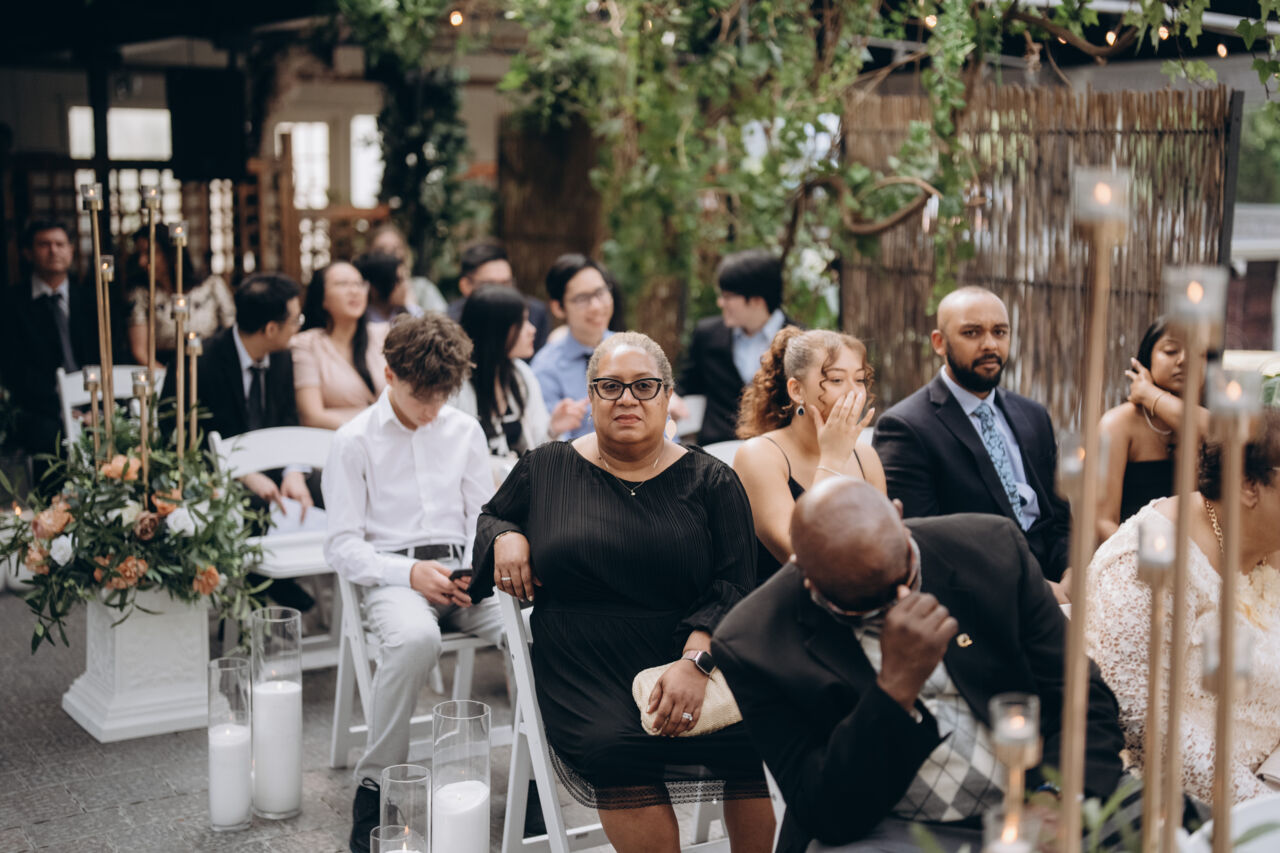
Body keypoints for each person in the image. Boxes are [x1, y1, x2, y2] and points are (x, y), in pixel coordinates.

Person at [472, 332, 775, 853]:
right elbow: (490, 515)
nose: (627, 398)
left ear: (667, 395)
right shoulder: (545, 467)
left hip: (685, 650)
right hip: (582, 660)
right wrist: (505, 535)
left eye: (644, 386)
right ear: (590, 396)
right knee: (614, 747)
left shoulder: (712, 481)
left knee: (761, 734)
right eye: (610, 386)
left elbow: (734, 583)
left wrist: (696, 663)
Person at [712, 478, 1131, 853]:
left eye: (907, 579)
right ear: (806, 575)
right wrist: (894, 689)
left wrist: (1054, 799)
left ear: (899, 516)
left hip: (1040, 794)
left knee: (1161, 822)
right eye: (864, 608)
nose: (898, 605)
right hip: (890, 830)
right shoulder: (753, 642)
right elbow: (825, 811)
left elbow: (1084, 700)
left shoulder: (991, 548)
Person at [322, 313, 505, 853]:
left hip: (463, 575)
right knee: (415, 640)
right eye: (421, 395)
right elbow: (341, 546)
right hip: (393, 578)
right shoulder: (352, 441)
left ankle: (537, 776)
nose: (432, 409)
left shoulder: (464, 430)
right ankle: (375, 787)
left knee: (537, 628)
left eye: (443, 396)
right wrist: (409, 574)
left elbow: (482, 517)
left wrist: (476, 569)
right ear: (389, 375)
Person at [1086, 409, 1280, 805]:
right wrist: (1260, 807)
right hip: (1183, 804)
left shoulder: (1268, 546)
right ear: (1248, 486)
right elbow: (1139, 717)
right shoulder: (1150, 560)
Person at [873, 286, 1072, 582]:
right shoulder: (905, 427)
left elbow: (1058, 519)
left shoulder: (1033, 415)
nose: (990, 345)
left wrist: (1070, 571)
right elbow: (924, 546)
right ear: (939, 343)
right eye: (972, 333)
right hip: (982, 592)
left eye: (1000, 332)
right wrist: (1033, 589)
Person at [733, 327, 886, 585]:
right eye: (836, 380)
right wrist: (832, 460)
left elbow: (887, 549)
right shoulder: (758, 455)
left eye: (859, 379)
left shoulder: (866, 456)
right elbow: (802, 554)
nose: (855, 393)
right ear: (797, 390)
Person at [165, 273, 314, 522]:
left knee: (327, 485)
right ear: (271, 329)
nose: (298, 327)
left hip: (275, 471)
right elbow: (177, 437)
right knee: (250, 504)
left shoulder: (281, 356)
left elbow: (289, 419)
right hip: (219, 476)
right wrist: (242, 473)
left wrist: (294, 472)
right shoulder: (198, 363)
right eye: (295, 320)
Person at [0, 219, 117, 485]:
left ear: (71, 251)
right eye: (44, 244)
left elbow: (110, 355)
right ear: (28, 253)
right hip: (44, 409)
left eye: (60, 244)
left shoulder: (92, 300)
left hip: (95, 401)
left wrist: (97, 407)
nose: (53, 251)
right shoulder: (12, 304)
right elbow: (15, 369)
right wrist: (63, 407)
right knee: (47, 436)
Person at [1097, 316, 1207, 540]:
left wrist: (1149, 393)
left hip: (1198, 553)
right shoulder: (1117, 424)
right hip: (1129, 551)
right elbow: (1102, 521)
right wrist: (1139, 556)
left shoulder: (1206, 421)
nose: (1184, 360)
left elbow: (1221, 434)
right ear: (1147, 358)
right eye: (1170, 351)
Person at [453, 285, 579, 477]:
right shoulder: (456, 384)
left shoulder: (521, 374)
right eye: (521, 323)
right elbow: (456, 457)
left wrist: (553, 428)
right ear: (496, 330)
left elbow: (536, 446)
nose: (532, 330)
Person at [677, 249, 798, 446]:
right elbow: (685, 384)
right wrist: (672, 397)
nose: (721, 303)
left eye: (727, 296)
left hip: (779, 449)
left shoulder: (800, 341)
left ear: (757, 300)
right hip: (717, 450)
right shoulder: (707, 335)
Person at [291, 261, 388, 430]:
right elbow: (312, 416)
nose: (354, 291)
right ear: (322, 298)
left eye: (359, 284)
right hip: (334, 439)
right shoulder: (305, 344)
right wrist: (367, 431)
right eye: (342, 284)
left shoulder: (383, 334)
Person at [125, 222, 235, 368]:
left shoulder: (211, 286)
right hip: (165, 368)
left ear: (170, 253)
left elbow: (232, 332)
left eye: (149, 253)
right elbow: (140, 352)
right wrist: (168, 376)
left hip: (212, 366)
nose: (142, 262)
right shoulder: (142, 295)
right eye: (139, 254)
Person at [528, 254, 613, 440]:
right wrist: (555, 428)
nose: (596, 306)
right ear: (558, 308)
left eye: (600, 292)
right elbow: (545, 440)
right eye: (582, 298)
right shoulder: (545, 368)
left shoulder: (634, 351)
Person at [448, 241, 552, 352]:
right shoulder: (451, 323)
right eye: (491, 285)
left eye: (506, 283)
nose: (502, 292)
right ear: (466, 286)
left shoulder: (535, 312)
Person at [367, 222, 448, 315]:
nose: (388, 253)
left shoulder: (422, 289)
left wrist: (410, 304)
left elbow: (442, 321)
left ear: (404, 254)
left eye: (395, 249)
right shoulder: (363, 290)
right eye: (381, 249)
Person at [357, 251, 422, 323]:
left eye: (406, 279)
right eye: (399, 280)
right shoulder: (359, 318)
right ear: (376, 288)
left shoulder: (410, 312)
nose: (405, 286)